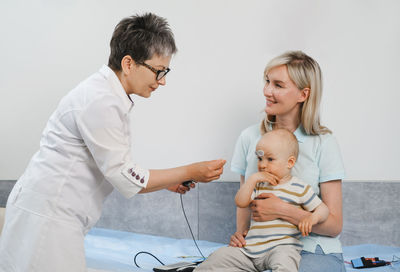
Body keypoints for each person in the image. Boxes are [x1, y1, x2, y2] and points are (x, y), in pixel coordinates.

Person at [0, 13, 225, 272]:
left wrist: (169, 181)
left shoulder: (108, 97)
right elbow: (127, 178)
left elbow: (119, 168)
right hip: (48, 219)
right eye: (158, 71)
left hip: (51, 214)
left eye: (166, 71)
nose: (162, 80)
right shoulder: (100, 101)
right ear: (128, 63)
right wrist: (191, 171)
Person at [228, 51, 346, 272]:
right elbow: (245, 203)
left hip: (311, 248)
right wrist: (240, 234)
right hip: (260, 249)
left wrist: (284, 211)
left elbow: (334, 225)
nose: (267, 91)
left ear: (303, 94)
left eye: (278, 85)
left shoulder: (324, 142)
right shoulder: (249, 138)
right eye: (267, 82)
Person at [194, 129, 329, 272]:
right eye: (260, 159)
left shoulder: (299, 187)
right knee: (218, 257)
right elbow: (240, 202)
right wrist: (252, 179)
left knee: (286, 262)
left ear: (289, 162)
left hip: (281, 247)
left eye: (270, 159)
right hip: (250, 250)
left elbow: (323, 209)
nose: (262, 165)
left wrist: (313, 218)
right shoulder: (258, 185)